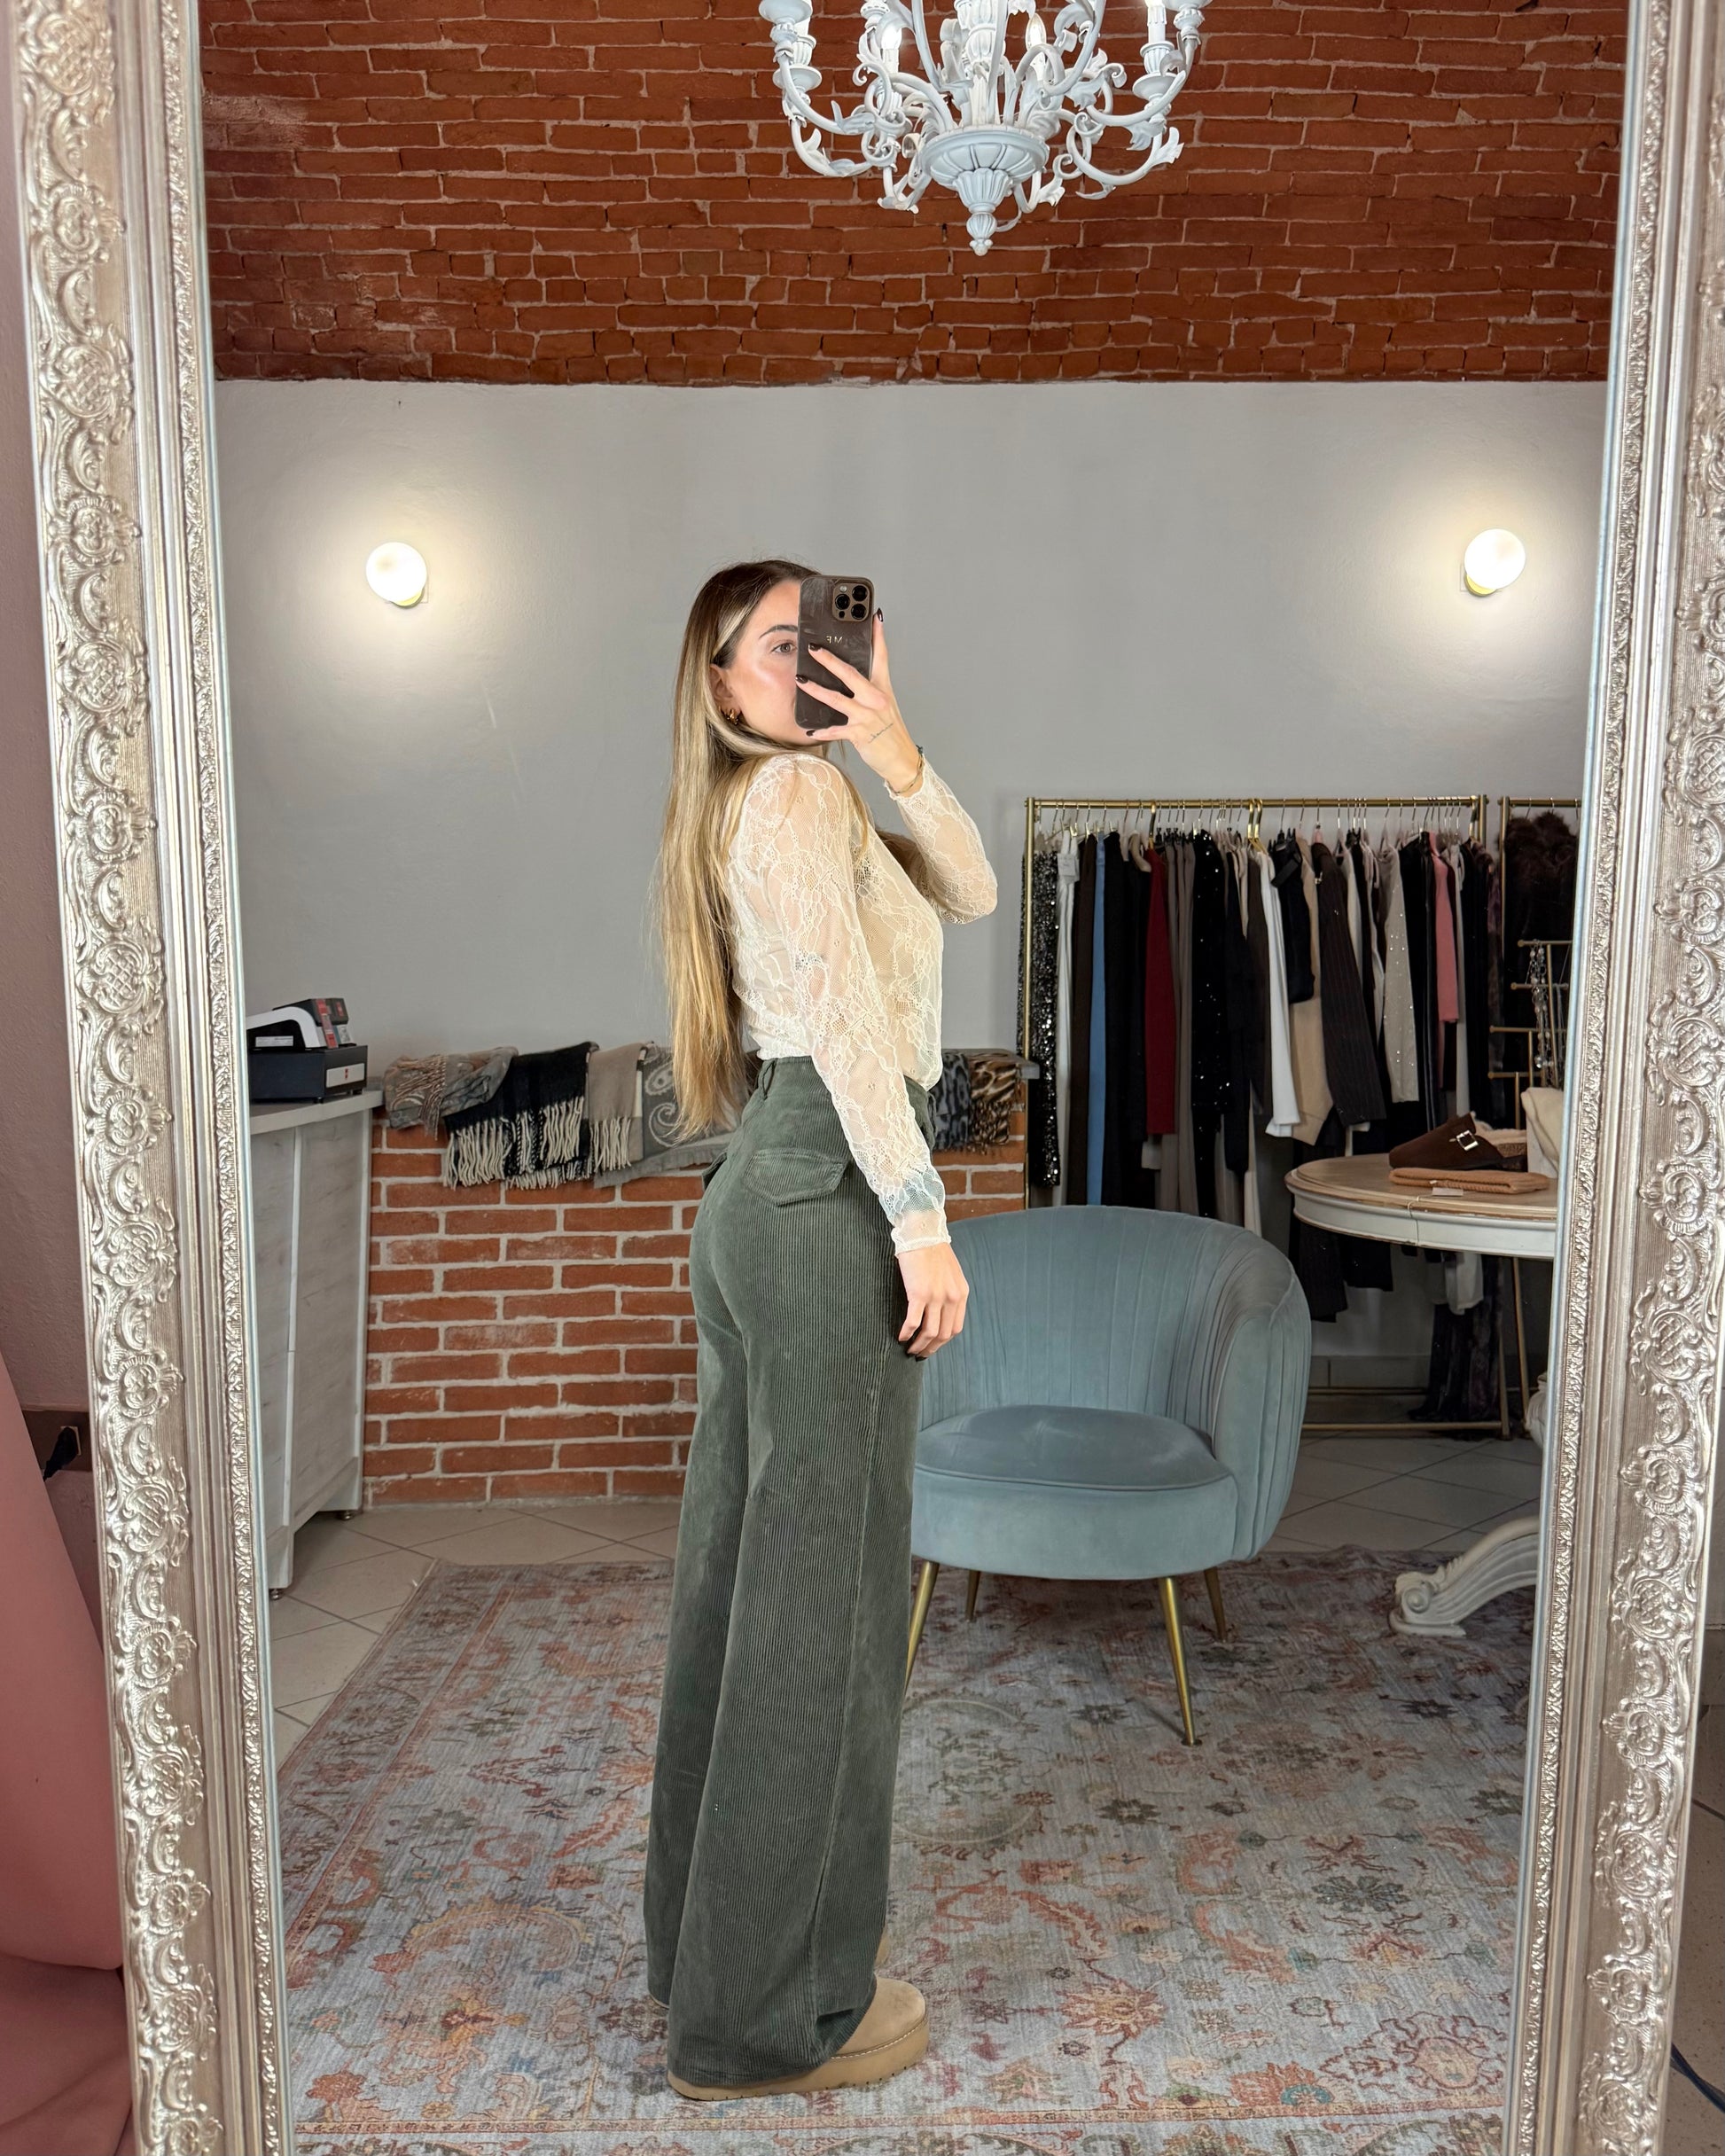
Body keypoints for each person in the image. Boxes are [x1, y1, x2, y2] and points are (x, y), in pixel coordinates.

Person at [644, 559, 997, 2098]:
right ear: (721, 680)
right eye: (777, 644)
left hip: (770, 1191)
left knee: (744, 1594)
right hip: (827, 1192)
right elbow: (852, 1027)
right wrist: (919, 1217)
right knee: (824, 1618)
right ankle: (766, 2019)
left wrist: (893, 740)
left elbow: (969, 888)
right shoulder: (785, 799)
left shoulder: (802, 793)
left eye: (823, 639)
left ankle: (708, 1959)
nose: (807, 664)